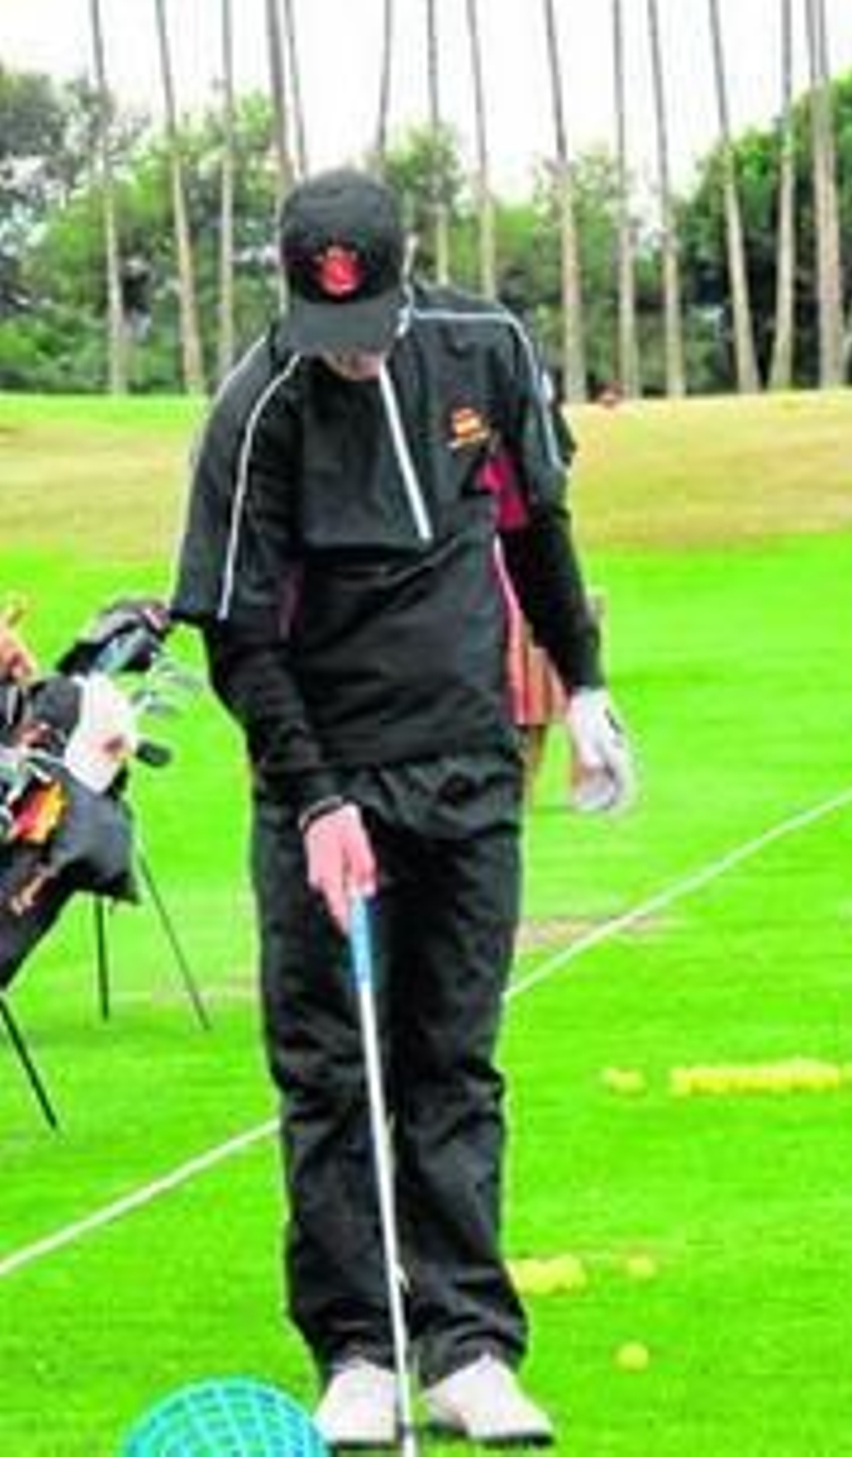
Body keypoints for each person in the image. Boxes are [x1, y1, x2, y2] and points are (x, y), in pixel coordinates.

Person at [172, 168, 636, 1450]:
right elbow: (236, 635)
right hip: (327, 775)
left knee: (454, 1059)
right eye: (332, 334)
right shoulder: (258, 409)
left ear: (406, 273)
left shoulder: (484, 350)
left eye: (370, 323)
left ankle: (467, 1344)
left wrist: (585, 681)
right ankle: (357, 1345)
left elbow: (536, 525)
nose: (355, 356)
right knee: (329, 1069)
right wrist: (313, 795)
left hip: (468, 765)